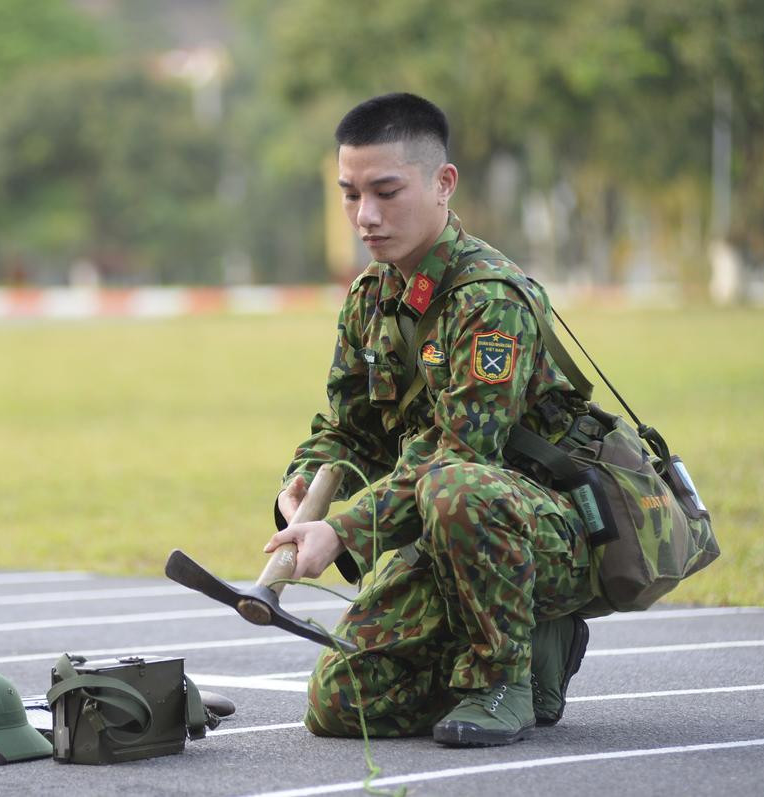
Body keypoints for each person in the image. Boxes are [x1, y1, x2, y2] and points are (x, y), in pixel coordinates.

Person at [264, 92, 595, 747]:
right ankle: (517, 641)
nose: (366, 216)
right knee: (340, 705)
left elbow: (457, 452)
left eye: (387, 191)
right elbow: (349, 428)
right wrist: (304, 486)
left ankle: (507, 676)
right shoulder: (373, 295)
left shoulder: (488, 300)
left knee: (457, 486)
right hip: (439, 525)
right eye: (350, 194)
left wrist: (345, 529)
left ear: (444, 184)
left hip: (535, 528)